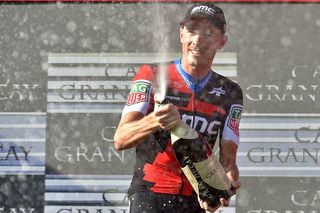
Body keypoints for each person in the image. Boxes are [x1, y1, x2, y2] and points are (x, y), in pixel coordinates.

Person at [114, 3, 243, 213]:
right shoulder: (151, 74)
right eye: (191, 31)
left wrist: (224, 187)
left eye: (209, 34)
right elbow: (121, 139)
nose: (198, 41)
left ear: (222, 41)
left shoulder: (231, 92)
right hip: (150, 194)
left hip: (196, 199)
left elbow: (228, 162)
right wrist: (155, 120)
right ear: (181, 33)